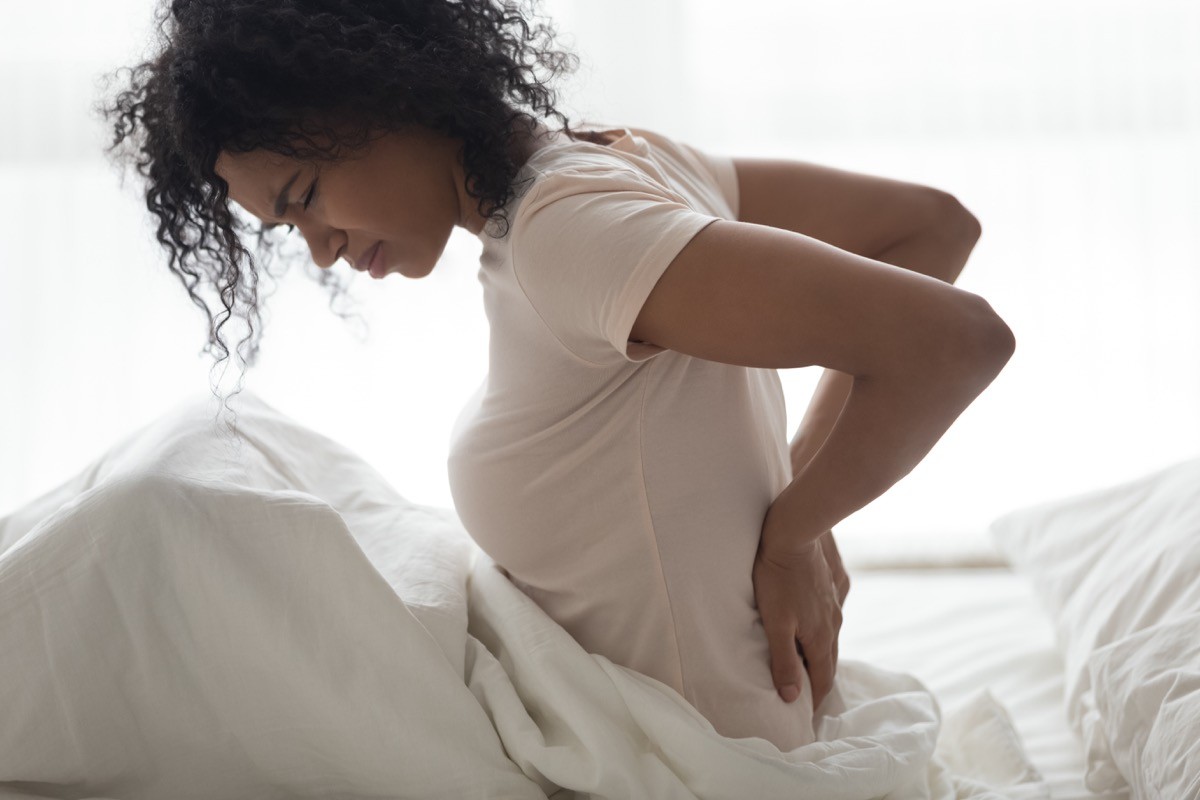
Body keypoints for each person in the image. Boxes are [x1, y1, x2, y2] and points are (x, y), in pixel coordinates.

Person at [99, 0, 1015, 752]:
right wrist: (795, 501)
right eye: (288, 228)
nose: (321, 249)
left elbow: (954, 340)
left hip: (698, 763)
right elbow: (932, 228)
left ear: (378, 94)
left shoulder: (567, 232)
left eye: (304, 197)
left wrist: (793, 532)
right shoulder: (615, 157)